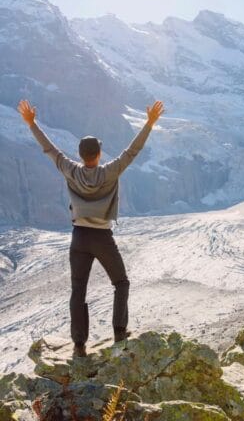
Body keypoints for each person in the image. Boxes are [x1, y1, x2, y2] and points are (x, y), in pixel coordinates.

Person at [17, 99, 164, 357]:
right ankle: (119, 332)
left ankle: (79, 346)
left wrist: (32, 124)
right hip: (103, 238)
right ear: (98, 154)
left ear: (82, 155)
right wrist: (149, 123)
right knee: (121, 282)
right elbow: (132, 151)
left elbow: (49, 149)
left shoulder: (71, 170)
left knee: (78, 291)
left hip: (79, 238)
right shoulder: (110, 171)